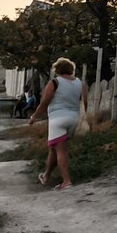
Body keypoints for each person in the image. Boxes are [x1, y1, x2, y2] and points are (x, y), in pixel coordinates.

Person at [29, 57, 88, 189]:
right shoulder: (79, 83)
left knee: (61, 150)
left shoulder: (54, 82)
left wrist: (34, 117)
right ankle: (46, 176)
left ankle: (67, 181)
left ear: (57, 70)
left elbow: (44, 103)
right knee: (54, 148)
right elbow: (84, 103)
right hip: (74, 118)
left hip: (58, 119)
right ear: (71, 69)